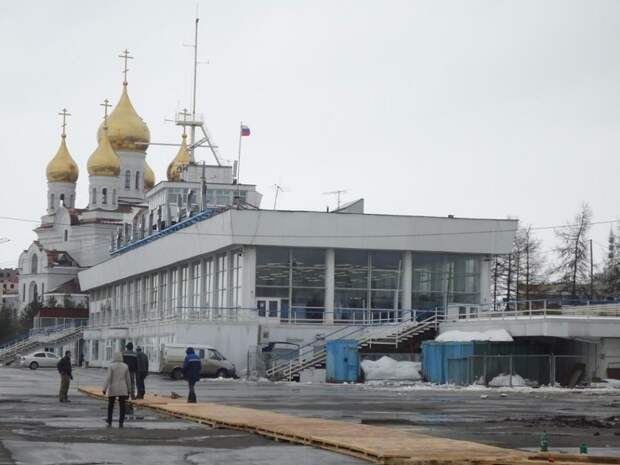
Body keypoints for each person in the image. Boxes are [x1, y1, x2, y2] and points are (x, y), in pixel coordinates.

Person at [103, 352, 131, 428]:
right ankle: (121, 422)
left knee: (111, 405)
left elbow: (108, 378)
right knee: (122, 406)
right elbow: (128, 379)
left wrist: (104, 388)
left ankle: (109, 420)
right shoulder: (125, 366)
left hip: (113, 387)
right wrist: (129, 389)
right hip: (123, 388)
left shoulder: (111, 366)